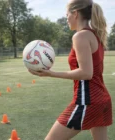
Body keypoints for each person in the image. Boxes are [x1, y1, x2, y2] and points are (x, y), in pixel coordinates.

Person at [28, 0, 112, 139]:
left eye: (67, 14)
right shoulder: (95, 35)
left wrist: (51, 73)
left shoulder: (80, 36)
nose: (66, 18)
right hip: (102, 99)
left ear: (75, 13)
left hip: (88, 101)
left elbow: (86, 73)